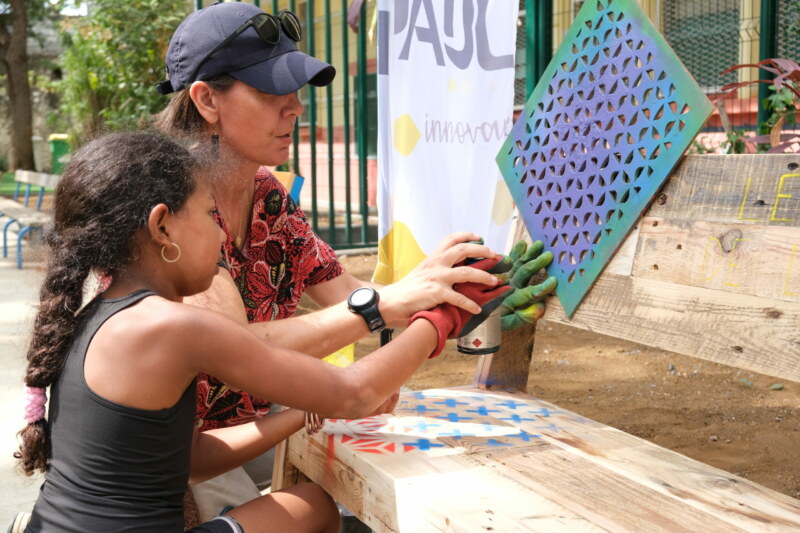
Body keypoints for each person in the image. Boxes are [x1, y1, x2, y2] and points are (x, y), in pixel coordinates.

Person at [151, 1, 557, 520]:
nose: (295, 107)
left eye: (294, 91)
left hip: (254, 436)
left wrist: (455, 292)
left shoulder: (267, 195)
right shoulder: (172, 205)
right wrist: (390, 305)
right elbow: (231, 346)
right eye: (271, 92)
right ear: (207, 99)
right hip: (186, 466)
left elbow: (343, 291)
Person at [15, 131, 510, 533]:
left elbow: (191, 458)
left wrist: (300, 414)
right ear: (162, 228)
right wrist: (440, 321)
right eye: (209, 214)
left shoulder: (101, 316)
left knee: (313, 505)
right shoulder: (172, 325)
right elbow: (355, 392)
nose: (219, 233)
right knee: (324, 513)